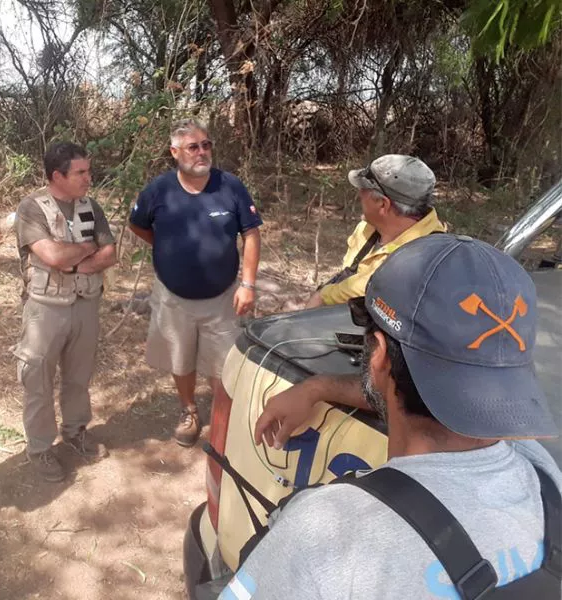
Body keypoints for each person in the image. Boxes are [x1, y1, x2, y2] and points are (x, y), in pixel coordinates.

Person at [225, 234, 560, 599]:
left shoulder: (327, 534)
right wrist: (318, 387)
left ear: (379, 356)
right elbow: (448, 396)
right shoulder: (543, 475)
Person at [129, 119, 261, 447]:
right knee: (180, 358)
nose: (202, 152)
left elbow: (251, 234)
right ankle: (189, 411)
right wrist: (168, 250)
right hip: (174, 298)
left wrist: (248, 284)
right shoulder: (158, 190)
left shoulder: (230, 186)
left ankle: (223, 421)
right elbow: (138, 225)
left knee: (224, 363)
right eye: (193, 147)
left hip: (224, 297)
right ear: (175, 152)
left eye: (206, 145)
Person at [13, 142, 117, 482]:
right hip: (46, 309)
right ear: (57, 176)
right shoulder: (32, 208)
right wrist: (87, 250)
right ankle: (40, 449)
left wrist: (74, 262)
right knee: (38, 381)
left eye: (88, 170)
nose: (89, 177)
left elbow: (110, 254)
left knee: (78, 378)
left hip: (86, 305)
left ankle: (76, 432)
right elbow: (52, 256)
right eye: (81, 172)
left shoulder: (91, 206)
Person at [304, 154, 446, 309]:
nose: (359, 193)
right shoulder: (369, 227)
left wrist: (323, 296)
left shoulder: (428, 256)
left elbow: (376, 284)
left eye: (364, 188)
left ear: (383, 205)